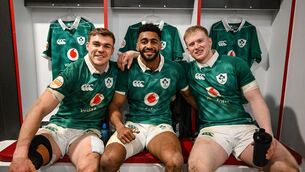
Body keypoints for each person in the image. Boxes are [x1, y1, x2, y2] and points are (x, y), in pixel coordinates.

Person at [182, 25, 299, 171]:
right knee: (197, 167)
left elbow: (256, 99)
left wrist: (268, 134)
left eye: (200, 41)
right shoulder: (187, 69)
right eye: (191, 44)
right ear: (187, 50)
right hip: (212, 131)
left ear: (210, 41)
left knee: (287, 167)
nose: (197, 46)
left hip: (244, 128)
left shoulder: (235, 63)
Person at [9, 28, 118, 172]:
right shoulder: (73, 71)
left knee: (90, 167)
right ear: (87, 46)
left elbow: (144, 61)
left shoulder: (117, 70)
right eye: (96, 44)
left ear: (112, 50)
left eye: (106, 46)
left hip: (87, 132)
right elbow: (40, 107)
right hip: (58, 129)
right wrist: (19, 155)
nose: (100, 49)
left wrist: (132, 53)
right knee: (29, 162)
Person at [99, 23, 197, 172]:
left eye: (154, 41)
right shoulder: (128, 69)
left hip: (161, 126)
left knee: (175, 161)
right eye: (144, 42)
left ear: (161, 45)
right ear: (137, 45)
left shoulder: (175, 69)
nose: (149, 45)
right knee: (108, 160)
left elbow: (188, 95)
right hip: (134, 126)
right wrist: (120, 127)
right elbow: (114, 105)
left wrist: (209, 114)